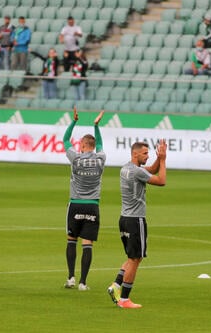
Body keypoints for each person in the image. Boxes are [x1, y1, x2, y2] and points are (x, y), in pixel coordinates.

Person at [107, 140, 167, 309]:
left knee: (134, 257)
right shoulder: (137, 172)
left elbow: (151, 170)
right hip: (136, 220)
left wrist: (158, 158)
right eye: (145, 153)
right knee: (135, 259)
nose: (148, 156)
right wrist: (163, 159)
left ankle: (116, 286)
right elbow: (161, 180)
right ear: (135, 154)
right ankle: (125, 300)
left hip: (124, 218)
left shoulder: (126, 168)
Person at [62, 107, 106, 291]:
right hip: (92, 205)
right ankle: (83, 282)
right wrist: (96, 125)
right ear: (93, 146)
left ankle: (71, 277)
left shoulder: (76, 159)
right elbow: (101, 145)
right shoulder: (101, 159)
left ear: (82, 145)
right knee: (87, 243)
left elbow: (65, 140)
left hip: (75, 204)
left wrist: (74, 121)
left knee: (71, 239)